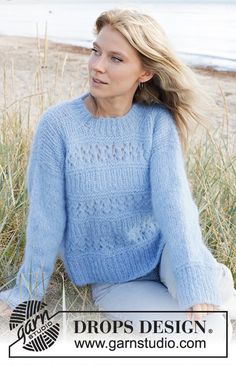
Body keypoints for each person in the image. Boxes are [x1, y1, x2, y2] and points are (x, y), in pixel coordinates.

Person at [0, 8, 235, 334]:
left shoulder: (156, 123)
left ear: (145, 72)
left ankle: (215, 288)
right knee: (189, 334)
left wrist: (193, 278)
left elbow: (175, 206)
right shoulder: (58, 127)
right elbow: (46, 218)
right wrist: (28, 291)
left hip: (164, 253)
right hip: (112, 280)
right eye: (96, 51)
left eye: (116, 58)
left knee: (210, 291)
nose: (97, 65)